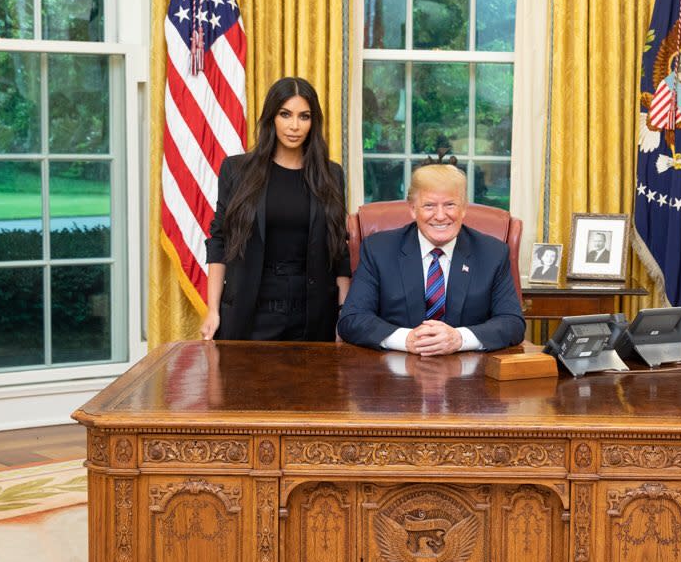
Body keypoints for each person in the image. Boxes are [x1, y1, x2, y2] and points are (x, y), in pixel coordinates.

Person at [200, 77, 350, 341]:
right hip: (250, 307)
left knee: (313, 384)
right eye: (285, 114)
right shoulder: (237, 170)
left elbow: (339, 250)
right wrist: (213, 310)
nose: (294, 126)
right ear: (271, 117)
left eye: (304, 116)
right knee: (245, 383)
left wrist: (343, 314)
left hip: (314, 312)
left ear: (313, 122)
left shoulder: (331, 174)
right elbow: (219, 240)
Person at [338, 164, 524, 355]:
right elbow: (352, 319)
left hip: (470, 372)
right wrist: (406, 339)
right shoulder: (378, 249)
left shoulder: (493, 253)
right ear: (412, 209)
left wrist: (459, 339)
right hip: (393, 371)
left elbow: (512, 323)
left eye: (450, 205)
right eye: (429, 206)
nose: (441, 216)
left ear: (464, 208)